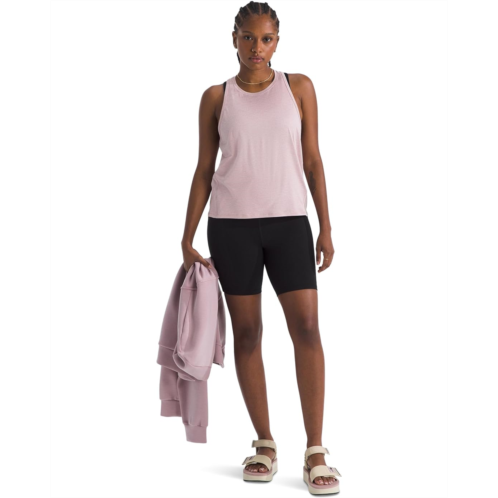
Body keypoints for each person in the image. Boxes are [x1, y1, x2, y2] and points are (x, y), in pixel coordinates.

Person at [180, 1, 338, 490]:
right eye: (248, 37)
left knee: (306, 328)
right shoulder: (215, 97)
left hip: (289, 224)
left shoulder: (299, 87)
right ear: (234, 38)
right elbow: (204, 170)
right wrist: (186, 236)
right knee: (248, 335)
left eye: (266, 38)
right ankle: (265, 444)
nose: (257, 47)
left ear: (277, 41)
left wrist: (326, 226)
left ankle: (315, 450)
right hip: (231, 228)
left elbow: (313, 161)